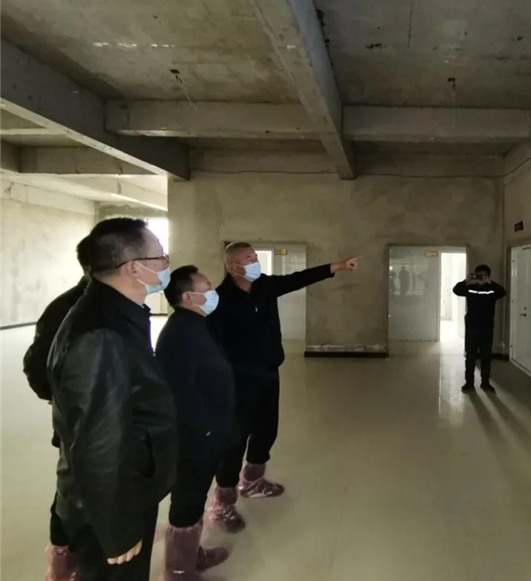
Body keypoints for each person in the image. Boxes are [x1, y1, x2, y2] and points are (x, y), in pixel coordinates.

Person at [47, 217, 177, 580]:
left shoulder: (116, 315)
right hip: (113, 504)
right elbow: (98, 446)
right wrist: (117, 530)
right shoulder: (103, 334)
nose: (166, 264)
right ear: (134, 268)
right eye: (160, 257)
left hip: (126, 486)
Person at [206, 242, 360, 532]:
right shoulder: (220, 300)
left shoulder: (264, 286)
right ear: (233, 266)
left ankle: (252, 482)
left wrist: (336, 267)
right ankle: (223, 503)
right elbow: (211, 343)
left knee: (267, 430)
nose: (255, 261)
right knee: (235, 440)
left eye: (255, 256)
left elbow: (297, 279)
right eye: (248, 258)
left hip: (268, 373)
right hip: (238, 380)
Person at [156, 266, 235, 580]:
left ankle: (191, 557)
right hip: (196, 436)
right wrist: (205, 429)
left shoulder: (195, 324)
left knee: (194, 496)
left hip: (207, 431)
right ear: (189, 296)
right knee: (188, 499)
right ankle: (179, 572)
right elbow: (179, 391)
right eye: (207, 286)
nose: (213, 290)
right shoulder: (180, 333)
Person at [23, 236, 92, 581]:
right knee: (72, 488)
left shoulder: (117, 305)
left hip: (107, 420)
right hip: (79, 421)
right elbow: (36, 366)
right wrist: (66, 403)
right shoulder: (68, 309)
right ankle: (63, 560)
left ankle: (92, 545)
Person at [453, 265, 507, 392]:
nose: (480, 277)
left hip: (486, 328)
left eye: (483, 275)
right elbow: (456, 290)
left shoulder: (492, 289)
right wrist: (467, 280)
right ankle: (469, 382)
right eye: (478, 275)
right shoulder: (470, 288)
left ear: (488, 275)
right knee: (470, 357)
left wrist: (490, 282)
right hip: (472, 328)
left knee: (486, 357)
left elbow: (502, 292)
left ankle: (485, 382)